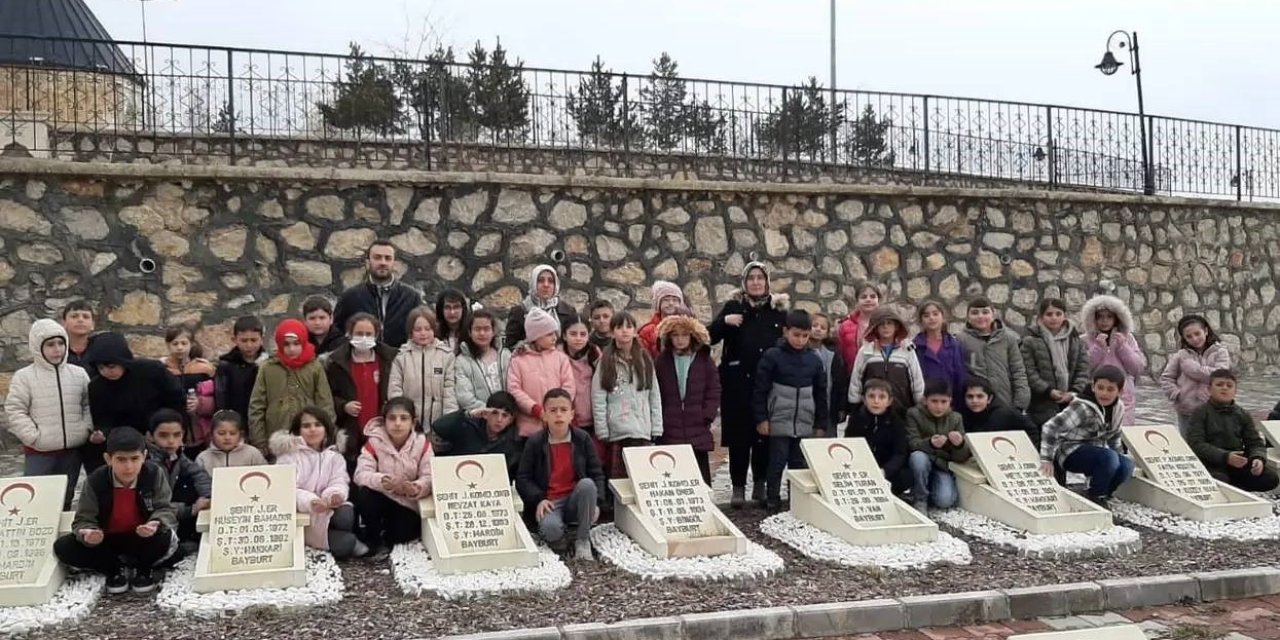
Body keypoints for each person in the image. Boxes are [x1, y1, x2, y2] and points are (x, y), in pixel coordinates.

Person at [53, 427, 178, 595]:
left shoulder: (154, 474)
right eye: (121, 460)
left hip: (143, 537)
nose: (128, 467)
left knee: (165, 537)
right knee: (64, 547)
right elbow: (83, 518)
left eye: (135, 459)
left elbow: (164, 508)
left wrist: (156, 523)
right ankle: (113, 570)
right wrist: (88, 534)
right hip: (107, 539)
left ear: (144, 457)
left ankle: (143, 570)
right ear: (108, 459)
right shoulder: (95, 481)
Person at [709, 261, 789, 508]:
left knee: (763, 435)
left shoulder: (778, 311)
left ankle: (760, 485)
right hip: (736, 384)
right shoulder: (734, 307)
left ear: (767, 281)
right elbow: (708, 337)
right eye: (751, 278)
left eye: (760, 278)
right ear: (744, 282)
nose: (756, 282)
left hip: (767, 384)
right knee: (739, 437)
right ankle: (738, 487)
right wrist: (725, 322)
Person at [4, 319, 93, 509]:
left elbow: (88, 404)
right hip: (40, 451)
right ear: (38, 347)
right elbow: (15, 409)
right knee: (34, 498)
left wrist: (84, 428)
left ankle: (59, 537)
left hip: (71, 450)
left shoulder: (78, 374)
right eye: (50, 344)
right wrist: (33, 436)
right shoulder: (25, 376)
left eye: (61, 343)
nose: (57, 349)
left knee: (65, 496)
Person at [754, 309, 828, 512]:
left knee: (798, 464)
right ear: (786, 332)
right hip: (779, 418)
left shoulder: (814, 360)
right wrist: (762, 418)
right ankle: (772, 497)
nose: (800, 340)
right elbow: (760, 390)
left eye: (805, 336)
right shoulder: (773, 356)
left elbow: (821, 394)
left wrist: (820, 423)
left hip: (804, 420)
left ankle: (796, 499)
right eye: (796, 335)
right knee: (777, 461)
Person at [516, 388, 604, 560]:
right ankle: (562, 537)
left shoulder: (582, 438)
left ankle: (582, 540)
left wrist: (598, 503)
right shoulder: (535, 442)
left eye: (563, 410)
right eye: (553, 410)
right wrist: (539, 499)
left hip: (575, 499)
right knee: (550, 530)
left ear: (571, 414)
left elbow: (597, 473)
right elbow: (523, 478)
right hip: (551, 502)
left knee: (587, 484)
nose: (558, 415)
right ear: (544, 415)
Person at [271, 406, 367, 560]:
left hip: (327, 508)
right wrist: (312, 501)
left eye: (317, 425)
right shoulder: (288, 458)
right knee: (347, 544)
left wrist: (334, 495)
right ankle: (340, 539)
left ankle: (338, 534)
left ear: (326, 429)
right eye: (306, 426)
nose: (312, 429)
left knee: (346, 514)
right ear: (297, 430)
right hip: (305, 515)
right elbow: (288, 490)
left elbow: (339, 480)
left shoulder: (334, 456)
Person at [84, 332, 185, 474]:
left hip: (162, 434)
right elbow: (103, 420)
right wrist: (102, 433)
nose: (107, 372)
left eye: (111, 366)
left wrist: (161, 429)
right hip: (127, 444)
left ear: (122, 360)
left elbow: (176, 398)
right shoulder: (97, 387)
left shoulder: (151, 371)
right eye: (101, 368)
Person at [1038, 365, 1133, 507]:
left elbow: (1114, 436)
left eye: (1110, 389)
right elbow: (1051, 427)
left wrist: (1120, 461)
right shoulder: (1082, 407)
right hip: (1071, 452)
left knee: (1127, 465)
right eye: (1100, 387)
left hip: (1097, 451)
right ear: (1093, 386)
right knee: (1109, 458)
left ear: (1120, 391)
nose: (1104, 393)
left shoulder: (1118, 408)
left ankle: (1104, 493)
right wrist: (1047, 459)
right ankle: (1096, 497)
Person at [354, 398, 432, 561]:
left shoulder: (422, 444)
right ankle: (374, 538)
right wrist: (382, 480)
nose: (397, 423)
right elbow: (360, 474)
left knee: (403, 535)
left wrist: (417, 487)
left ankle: (386, 534)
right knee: (364, 494)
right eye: (392, 418)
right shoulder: (374, 442)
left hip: (407, 503)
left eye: (404, 418)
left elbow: (430, 475)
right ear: (384, 421)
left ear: (413, 422)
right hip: (382, 497)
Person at [593, 312, 663, 479]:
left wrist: (656, 426)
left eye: (628, 326)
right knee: (620, 480)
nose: (624, 331)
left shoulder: (645, 360)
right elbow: (598, 398)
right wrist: (602, 430)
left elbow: (654, 395)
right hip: (618, 430)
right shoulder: (605, 362)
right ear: (612, 332)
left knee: (643, 478)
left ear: (635, 331)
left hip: (642, 430)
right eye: (619, 327)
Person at [248, 319, 334, 455]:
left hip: (310, 438)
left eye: (296, 343)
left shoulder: (314, 367)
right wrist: (260, 441)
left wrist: (327, 436)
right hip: (277, 438)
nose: (291, 349)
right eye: (286, 344)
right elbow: (257, 406)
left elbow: (325, 403)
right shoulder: (268, 368)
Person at [1186, 370, 1279, 492]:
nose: (1224, 388)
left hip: (1239, 461)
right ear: (1209, 389)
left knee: (1270, 478)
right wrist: (1225, 457)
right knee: (1220, 481)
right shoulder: (1200, 413)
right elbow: (1196, 444)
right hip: (1211, 463)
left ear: (1235, 391)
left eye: (1229, 386)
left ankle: (1239, 489)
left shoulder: (1242, 414)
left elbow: (1255, 442)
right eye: (1219, 385)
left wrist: (1258, 458)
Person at [655, 313, 721, 486]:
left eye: (684, 335)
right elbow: (656, 391)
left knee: (700, 474)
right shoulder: (662, 361)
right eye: (675, 335)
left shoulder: (704, 360)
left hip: (697, 424)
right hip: (670, 425)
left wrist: (707, 414)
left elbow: (713, 389)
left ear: (693, 336)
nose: (680, 340)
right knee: (673, 471)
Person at [327, 313, 398, 467]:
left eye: (368, 334)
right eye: (359, 334)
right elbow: (328, 395)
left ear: (376, 335)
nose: (364, 338)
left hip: (381, 428)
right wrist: (343, 406)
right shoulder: (336, 363)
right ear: (350, 334)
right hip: (351, 430)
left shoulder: (389, 359)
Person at [333, 240, 425, 351]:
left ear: (394, 263)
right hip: (362, 362)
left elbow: (423, 331)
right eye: (377, 257)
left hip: (400, 362)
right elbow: (337, 332)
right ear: (367, 263)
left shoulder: (411, 297)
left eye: (388, 258)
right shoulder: (350, 297)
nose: (383, 262)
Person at [1021, 299, 1092, 433]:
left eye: (1058, 314)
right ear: (1041, 317)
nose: (1054, 318)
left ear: (1064, 316)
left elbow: (1082, 369)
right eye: (1049, 314)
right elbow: (1029, 371)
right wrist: (1048, 391)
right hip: (1042, 402)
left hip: (1071, 400)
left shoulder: (1075, 340)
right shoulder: (1030, 341)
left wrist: (1073, 392)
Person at [146, 409, 212, 544]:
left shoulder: (177, 454)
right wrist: (191, 509)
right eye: (164, 435)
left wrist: (208, 497)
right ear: (150, 436)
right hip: (151, 520)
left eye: (177, 435)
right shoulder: (147, 464)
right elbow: (154, 505)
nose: (171, 441)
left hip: (171, 509)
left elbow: (197, 473)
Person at [508, 308, 576, 438]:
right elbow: (514, 389)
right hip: (529, 428)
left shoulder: (560, 358)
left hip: (558, 425)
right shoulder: (518, 360)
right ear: (536, 336)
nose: (555, 338)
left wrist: (556, 410)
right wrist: (536, 410)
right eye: (549, 334)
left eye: (555, 333)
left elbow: (569, 386)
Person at [1081, 294, 1147, 425]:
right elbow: (1082, 369)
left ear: (1117, 318)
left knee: (1123, 437)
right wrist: (1098, 348)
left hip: (1123, 395)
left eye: (1109, 317)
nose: (1104, 321)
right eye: (1100, 317)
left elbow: (1137, 367)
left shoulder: (1128, 338)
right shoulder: (1084, 340)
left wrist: (1123, 347)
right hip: (1096, 394)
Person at [956, 297, 1030, 414]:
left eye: (985, 312)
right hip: (975, 405)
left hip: (1004, 401)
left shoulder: (1008, 338)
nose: (980, 316)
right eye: (975, 313)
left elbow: (1018, 371)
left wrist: (1020, 403)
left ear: (993, 315)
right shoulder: (960, 340)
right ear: (968, 317)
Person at [1161, 314, 1232, 434]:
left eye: (1197, 334)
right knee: (1189, 444)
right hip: (1187, 410)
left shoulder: (1220, 352)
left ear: (1205, 331)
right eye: (1189, 336)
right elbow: (1166, 378)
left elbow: (1221, 376)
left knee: (1212, 444)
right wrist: (1177, 394)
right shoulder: (1181, 355)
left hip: (1214, 409)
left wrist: (1194, 369)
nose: (1194, 339)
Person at [906, 379, 970, 512]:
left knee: (945, 501)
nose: (939, 407)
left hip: (943, 465)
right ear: (925, 400)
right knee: (918, 458)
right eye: (934, 401)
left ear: (950, 401)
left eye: (943, 402)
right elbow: (912, 443)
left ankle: (929, 488)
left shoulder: (956, 418)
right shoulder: (914, 414)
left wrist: (959, 445)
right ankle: (920, 498)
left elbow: (961, 458)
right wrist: (930, 443)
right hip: (922, 461)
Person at [847, 307, 925, 416]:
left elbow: (917, 381)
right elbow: (856, 380)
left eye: (889, 323)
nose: (885, 327)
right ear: (875, 327)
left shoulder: (907, 350)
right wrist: (854, 405)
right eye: (881, 324)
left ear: (896, 326)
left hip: (901, 410)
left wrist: (920, 406)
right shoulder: (865, 351)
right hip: (872, 409)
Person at [388, 308, 457, 430]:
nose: (423, 333)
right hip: (410, 424)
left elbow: (449, 390)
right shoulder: (401, 357)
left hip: (437, 422)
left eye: (427, 329)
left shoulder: (446, 356)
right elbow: (395, 390)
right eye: (418, 329)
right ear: (411, 331)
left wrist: (449, 421)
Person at [431, 392, 522, 478]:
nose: (499, 419)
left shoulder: (511, 444)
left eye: (505, 415)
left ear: (510, 420)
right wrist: (468, 414)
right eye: (494, 413)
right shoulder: (467, 426)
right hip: (455, 480)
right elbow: (438, 426)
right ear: (486, 413)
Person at [844, 379, 911, 495]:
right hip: (861, 470)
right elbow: (849, 447)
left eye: (882, 397)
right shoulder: (856, 420)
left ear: (889, 401)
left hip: (887, 471)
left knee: (905, 477)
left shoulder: (897, 422)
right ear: (864, 400)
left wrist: (885, 471)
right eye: (871, 396)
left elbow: (900, 453)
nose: (876, 401)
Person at [163, 324, 217, 456]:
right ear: (168, 345)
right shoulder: (162, 370)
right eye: (175, 343)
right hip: (173, 430)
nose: (180, 348)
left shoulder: (204, 369)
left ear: (191, 344)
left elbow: (218, 396)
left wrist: (200, 404)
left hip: (201, 432)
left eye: (184, 343)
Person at [504, 264, 577, 349]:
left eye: (551, 281)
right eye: (540, 280)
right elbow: (510, 345)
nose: (546, 285)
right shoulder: (520, 311)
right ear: (533, 283)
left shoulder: (568, 311)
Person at [214, 316, 268, 429]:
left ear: (262, 339)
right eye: (244, 340)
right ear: (234, 340)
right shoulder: (226, 365)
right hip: (234, 424)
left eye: (253, 340)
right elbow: (221, 397)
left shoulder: (268, 364)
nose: (249, 345)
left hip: (262, 422)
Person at [913, 301, 969, 411]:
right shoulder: (915, 347)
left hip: (950, 403)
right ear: (921, 321)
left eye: (935, 314)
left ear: (943, 317)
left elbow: (960, 376)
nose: (931, 318)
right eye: (926, 315)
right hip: (925, 404)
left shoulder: (954, 345)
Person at [454, 309, 512, 412]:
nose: (482, 333)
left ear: (493, 331)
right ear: (470, 332)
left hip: (508, 415)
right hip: (479, 416)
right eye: (477, 329)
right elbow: (464, 396)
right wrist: (490, 411)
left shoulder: (505, 356)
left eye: (486, 329)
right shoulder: (462, 361)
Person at [561, 314, 602, 441]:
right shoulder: (557, 355)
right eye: (573, 334)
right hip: (566, 418)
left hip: (592, 418)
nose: (578, 338)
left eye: (583, 334)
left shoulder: (594, 354)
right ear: (564, 335)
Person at [835, 281, 883, 378]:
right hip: (852, 375)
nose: (868, 300)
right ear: (857, 300)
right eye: (863, 297)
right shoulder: (845, 325)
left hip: (880, 377)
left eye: (873, 296)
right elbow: (841, 354)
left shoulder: (886, 323)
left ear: (878, 300)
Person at [959, 379, 1038, 436]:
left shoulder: (1005, 414)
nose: (975, 401)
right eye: (970, 397)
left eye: (980, 396)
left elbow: (1032, 430)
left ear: (989, 399)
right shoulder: (962, 417)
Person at [196, 410, 267, 472]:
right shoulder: (203, 459)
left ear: (241, 434)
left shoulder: (253, 454)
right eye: (221, 433)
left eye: (233, 433)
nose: (227, 437)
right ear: (211, 434)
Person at [637, 280, 685, 358]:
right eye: (666, 299)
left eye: (675, 300)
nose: (671, 303)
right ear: (658, 303)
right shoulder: (647, 331)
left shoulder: (688, 327)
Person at [302, 295, 347, 359]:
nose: (317, 323)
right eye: (312, 318)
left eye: (322, 318)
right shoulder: (301, 342)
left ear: (331, 319)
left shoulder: (342, 344)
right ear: (305, 321)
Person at [810, 311, 837, 413]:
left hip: (825, 403)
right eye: (815, 325)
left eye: (823, 328)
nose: (818, 329)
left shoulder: (832, 354)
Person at [60, 300, 96, 370]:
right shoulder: (58, 351)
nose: (80, 320)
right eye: (74, 316)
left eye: (86, 317)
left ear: (93, 325)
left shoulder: (99, 349)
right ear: (63, 323)